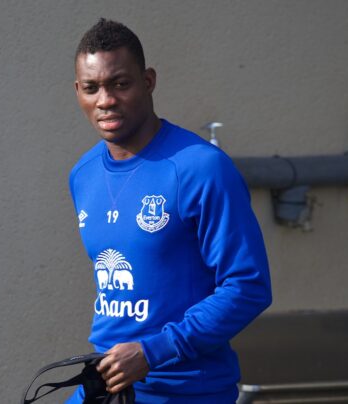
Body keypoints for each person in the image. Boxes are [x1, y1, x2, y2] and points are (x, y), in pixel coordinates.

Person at [67, 18, 272, 403]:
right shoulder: (83, 174)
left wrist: (154, 350)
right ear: (78, 91)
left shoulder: (199, 168)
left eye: (120, 84)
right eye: (92, 88)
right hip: (106, 388)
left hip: (187, 391)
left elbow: (249, 286)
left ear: (148, 81)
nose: (105, 100)